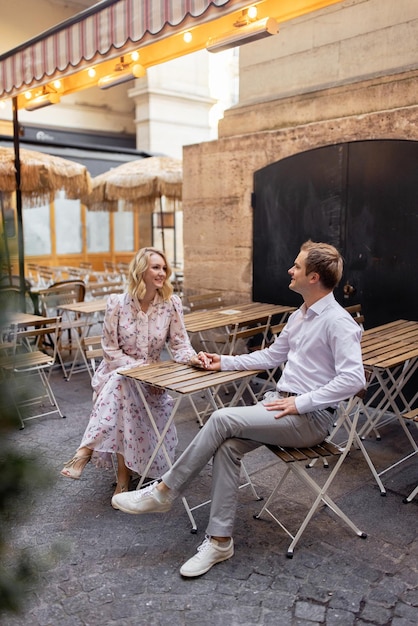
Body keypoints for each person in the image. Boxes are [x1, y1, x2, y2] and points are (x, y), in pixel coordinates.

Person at [111, 240, 366, 577]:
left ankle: (164, 492)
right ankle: (219, 542)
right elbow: (271, 356)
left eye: (297, 266)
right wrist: (224, 362)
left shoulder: (337, 322)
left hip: (309, 418)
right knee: (228, 448)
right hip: (280, 406)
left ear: (314, 277)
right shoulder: (300, 315)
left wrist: (301, 401)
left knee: (221, 418)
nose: (291, 270)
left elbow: (354, 380)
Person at [61, 247, 199, 503]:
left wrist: (193, 358)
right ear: (140, 271)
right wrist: (136, 370)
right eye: (155, 267)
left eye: (163, 268)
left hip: (151, 381)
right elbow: (110, 351)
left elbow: (179, 344)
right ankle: (123, 479)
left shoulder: (171, 304)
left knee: (125, 389)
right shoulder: (116, 303)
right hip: (117, 373)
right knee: (124, 384)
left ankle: (85, 451)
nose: (162, 272)